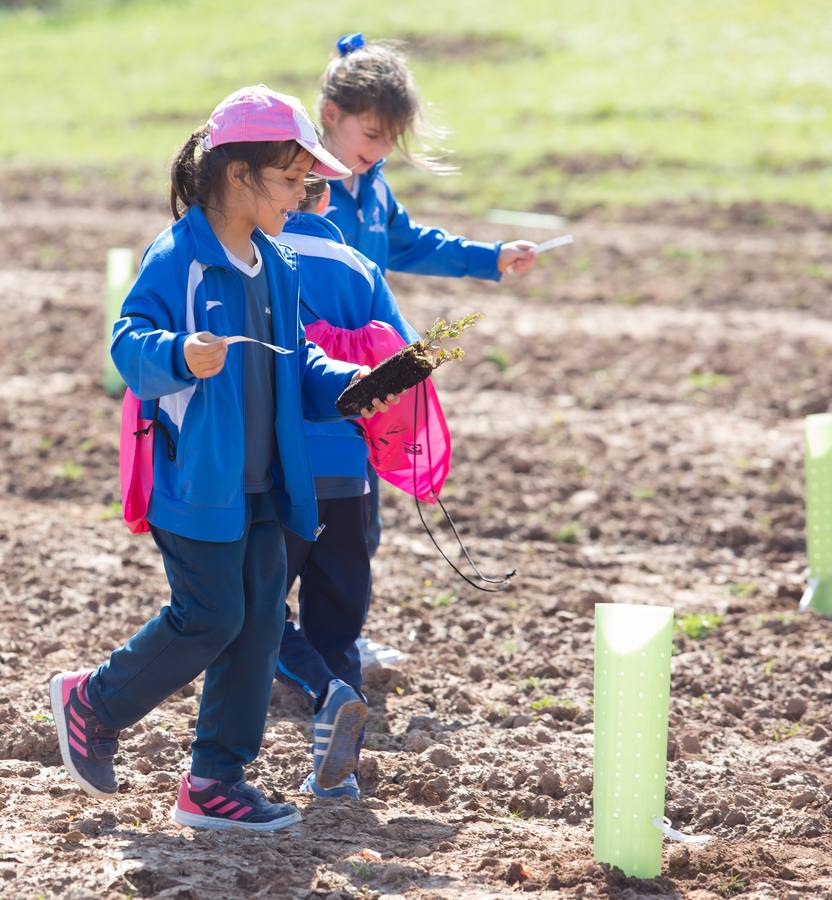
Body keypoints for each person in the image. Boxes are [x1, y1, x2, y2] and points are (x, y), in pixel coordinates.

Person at [48, 85, 395, 832]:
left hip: (267, 483)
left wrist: (348, 385)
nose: (305, 193)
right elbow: (128, 344)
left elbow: (297, 359)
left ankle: (214, 780)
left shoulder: (274, 262)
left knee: (261, 621)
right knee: (209, 617)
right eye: (293, 177)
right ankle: (93, 701)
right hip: (197, 483)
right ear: (240, 175)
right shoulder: (179, 257)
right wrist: (178, 352)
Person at [315, 33, 538, 666]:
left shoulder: (374, 188)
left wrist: (489, 257)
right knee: (303, 515)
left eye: (390, 141)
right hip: (310, 374)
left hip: (372, 373)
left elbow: (413, 244)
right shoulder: (298, 185)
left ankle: (339, 641)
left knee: (361, 513)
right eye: (372, 135)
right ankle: (285, 645)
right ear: (331, 115)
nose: (381, 151)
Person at [273, 178, 418, 799]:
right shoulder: (360, 267)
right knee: (338, 626)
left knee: (249, 608)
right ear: (327, 200)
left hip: (276, 472)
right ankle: (339, 777)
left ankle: (321, 692)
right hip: (348, 478)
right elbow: (406, 361)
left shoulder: (258, 258)